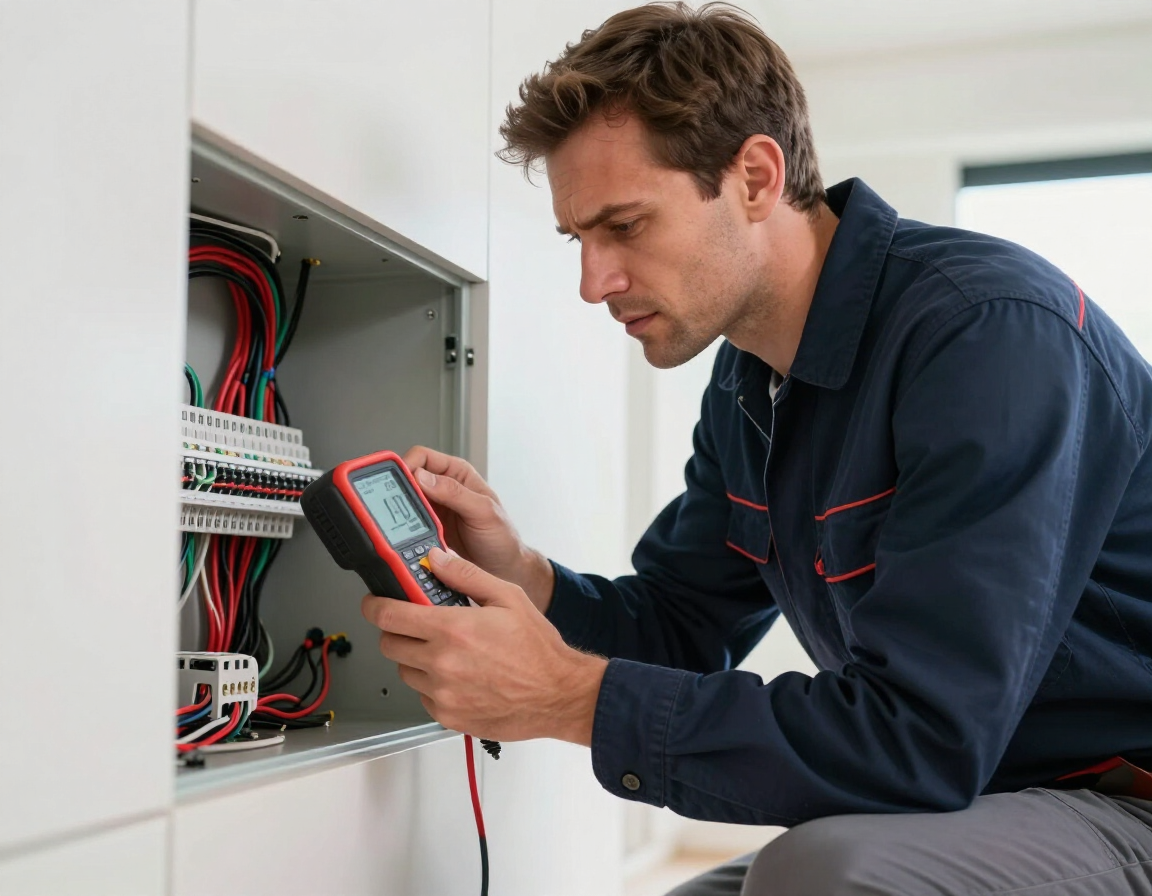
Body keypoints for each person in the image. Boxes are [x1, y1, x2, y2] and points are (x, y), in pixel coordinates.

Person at [361, 3, 1152, 893]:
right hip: (982, 794)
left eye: (624, 226)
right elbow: (680, 626)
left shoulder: (988, 335)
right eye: (577, 239)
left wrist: (566, 696)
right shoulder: (747, 386)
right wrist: (524, 576)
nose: (594, 282)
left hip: (1121, 800)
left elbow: (922, 739)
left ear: (755, 177)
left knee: (820, 873)